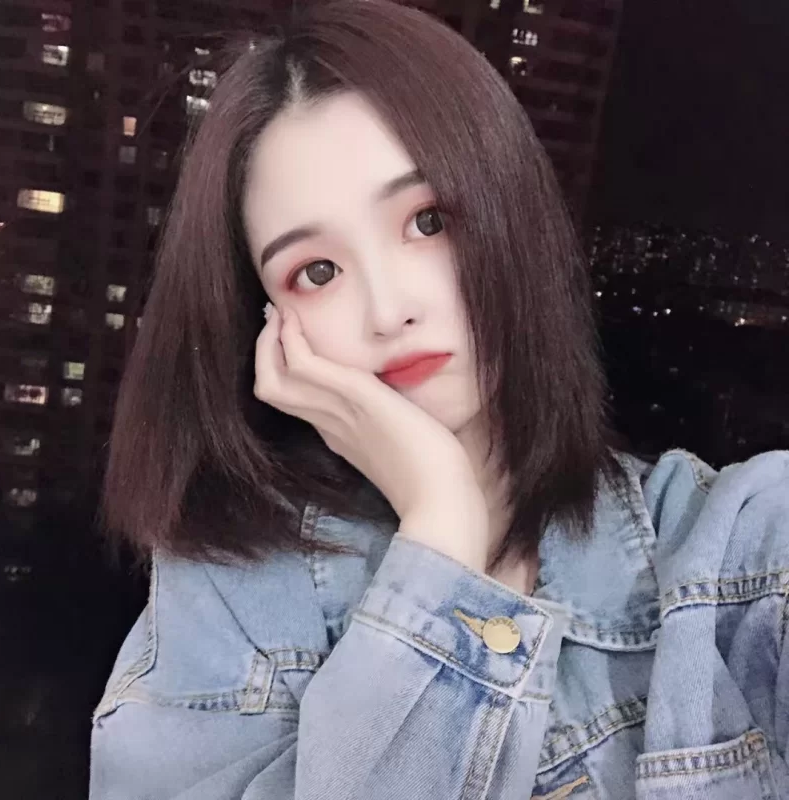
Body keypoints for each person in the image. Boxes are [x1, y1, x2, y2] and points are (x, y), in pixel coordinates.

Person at [89, 1, 789, 797]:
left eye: (427, 221)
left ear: (511, 214)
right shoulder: (232, 602)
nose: (389, 310)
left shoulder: (726, 549)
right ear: (267, 326)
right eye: (317, 271)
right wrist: (444, 531)